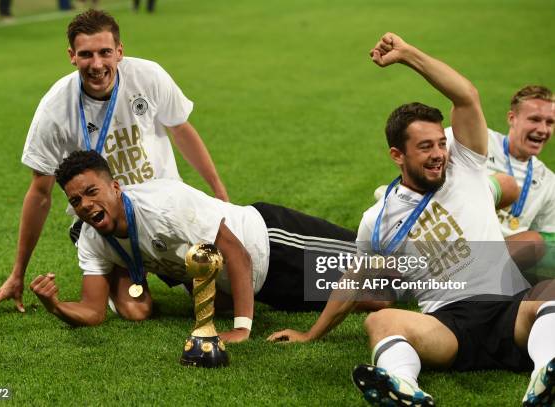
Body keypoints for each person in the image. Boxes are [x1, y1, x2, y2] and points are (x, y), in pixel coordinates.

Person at [269, 33, 555, 406]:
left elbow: (465, 95)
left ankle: (545, 373)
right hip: (448, 326)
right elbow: (354, 279)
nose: (439, 154)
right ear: (396, 155)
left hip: (509, 309)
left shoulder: (465, 165)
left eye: (440, 143)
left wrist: (408, 56)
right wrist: (312, 333)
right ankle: (405, 389)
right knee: (380, 321)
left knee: (549, 290)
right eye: (425, 147)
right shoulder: (379, 218)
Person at [0, 9, 228, 314]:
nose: (96, 65)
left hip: (162, 211)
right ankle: (121, 273)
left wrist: (220, 195)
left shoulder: (148, 76)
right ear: (72, 56)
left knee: (221, 300)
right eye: (86, 54)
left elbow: (181, 130)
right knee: (137, 311)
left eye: (104, 52)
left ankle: (158, 266)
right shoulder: (55, 108)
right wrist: (18, 272)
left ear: (119, 52)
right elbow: (40, 193)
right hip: (105, 221)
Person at [30, 150, 362, 343]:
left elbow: (236, 253)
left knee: (383, 272)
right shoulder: (91, 239)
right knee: (369, 299)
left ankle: (395, 212)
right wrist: (54, 305)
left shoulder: (164, 204)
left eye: (92, 192)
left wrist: (241, 330)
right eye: (76, 200)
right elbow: (92, 310)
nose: (85, 205)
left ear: (115, 187)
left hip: (273, 241)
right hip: (265, 288)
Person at [446, 86, 555, 270]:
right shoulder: (481, 140)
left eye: (550, 122)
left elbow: (548, 239)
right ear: (512, 118)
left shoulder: (549, 182)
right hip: (454, 235)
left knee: (534, 241)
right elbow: (428, 153)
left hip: (497, 256)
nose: (543, 129)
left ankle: (471, 277)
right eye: (534, 119)